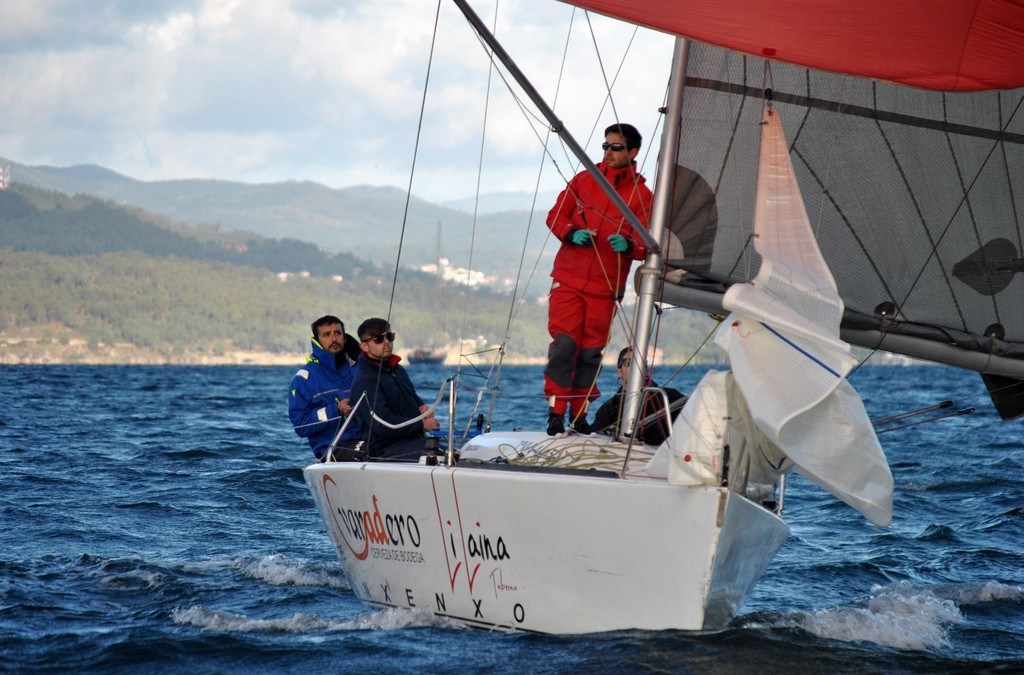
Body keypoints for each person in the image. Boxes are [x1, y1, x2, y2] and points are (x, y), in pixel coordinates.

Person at [544, 122, 654, 435]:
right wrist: (571, 233)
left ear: (632, 153)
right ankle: (556, 412)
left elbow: (648, 242)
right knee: (565, 346)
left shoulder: (643, 196)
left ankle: (579, 417)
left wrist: (632, 245)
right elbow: (555, 216)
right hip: (568, 279)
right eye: (605, 146)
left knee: (590, 353)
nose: (607, 152)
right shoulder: (584, 180)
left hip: (606, 290)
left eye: (615, 147)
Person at [350, 317, 440, 461]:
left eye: (389, 337)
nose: (386, 342)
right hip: (384, 448)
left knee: (456, 455)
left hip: (412, 441)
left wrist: (422, 408)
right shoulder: (365, 380)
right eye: (378, 339)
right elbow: (382, 424)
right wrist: (421, 425)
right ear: (364, 346)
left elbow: (413, 397)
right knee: (439, 458)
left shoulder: (397, 370)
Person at [289, 314, 364, 461]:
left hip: (371, 441)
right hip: (335, 451)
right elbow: (300, 425)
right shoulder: (304, 379)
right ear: (317, 341)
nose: (334, 339)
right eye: (326, 335)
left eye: (337, 333)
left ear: (344, 336)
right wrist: (335, 410)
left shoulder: (361, 369)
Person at [592, 347, 687, 446]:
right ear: (619, 372)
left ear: (646, 370)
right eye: (629, 363)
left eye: (640, 363)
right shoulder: (608, 409)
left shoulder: (669, 398)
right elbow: (593, 436)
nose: (635, 367)